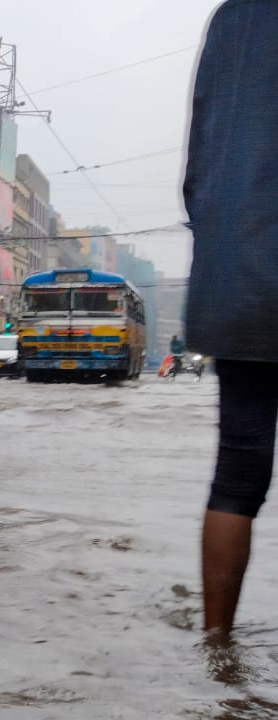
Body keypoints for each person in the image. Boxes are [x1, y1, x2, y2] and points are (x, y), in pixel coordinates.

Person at [183, 0, 278, 641]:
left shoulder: (232, 20)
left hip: (238, 273)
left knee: (238, 471)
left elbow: (199, 170)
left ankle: (218, 646)